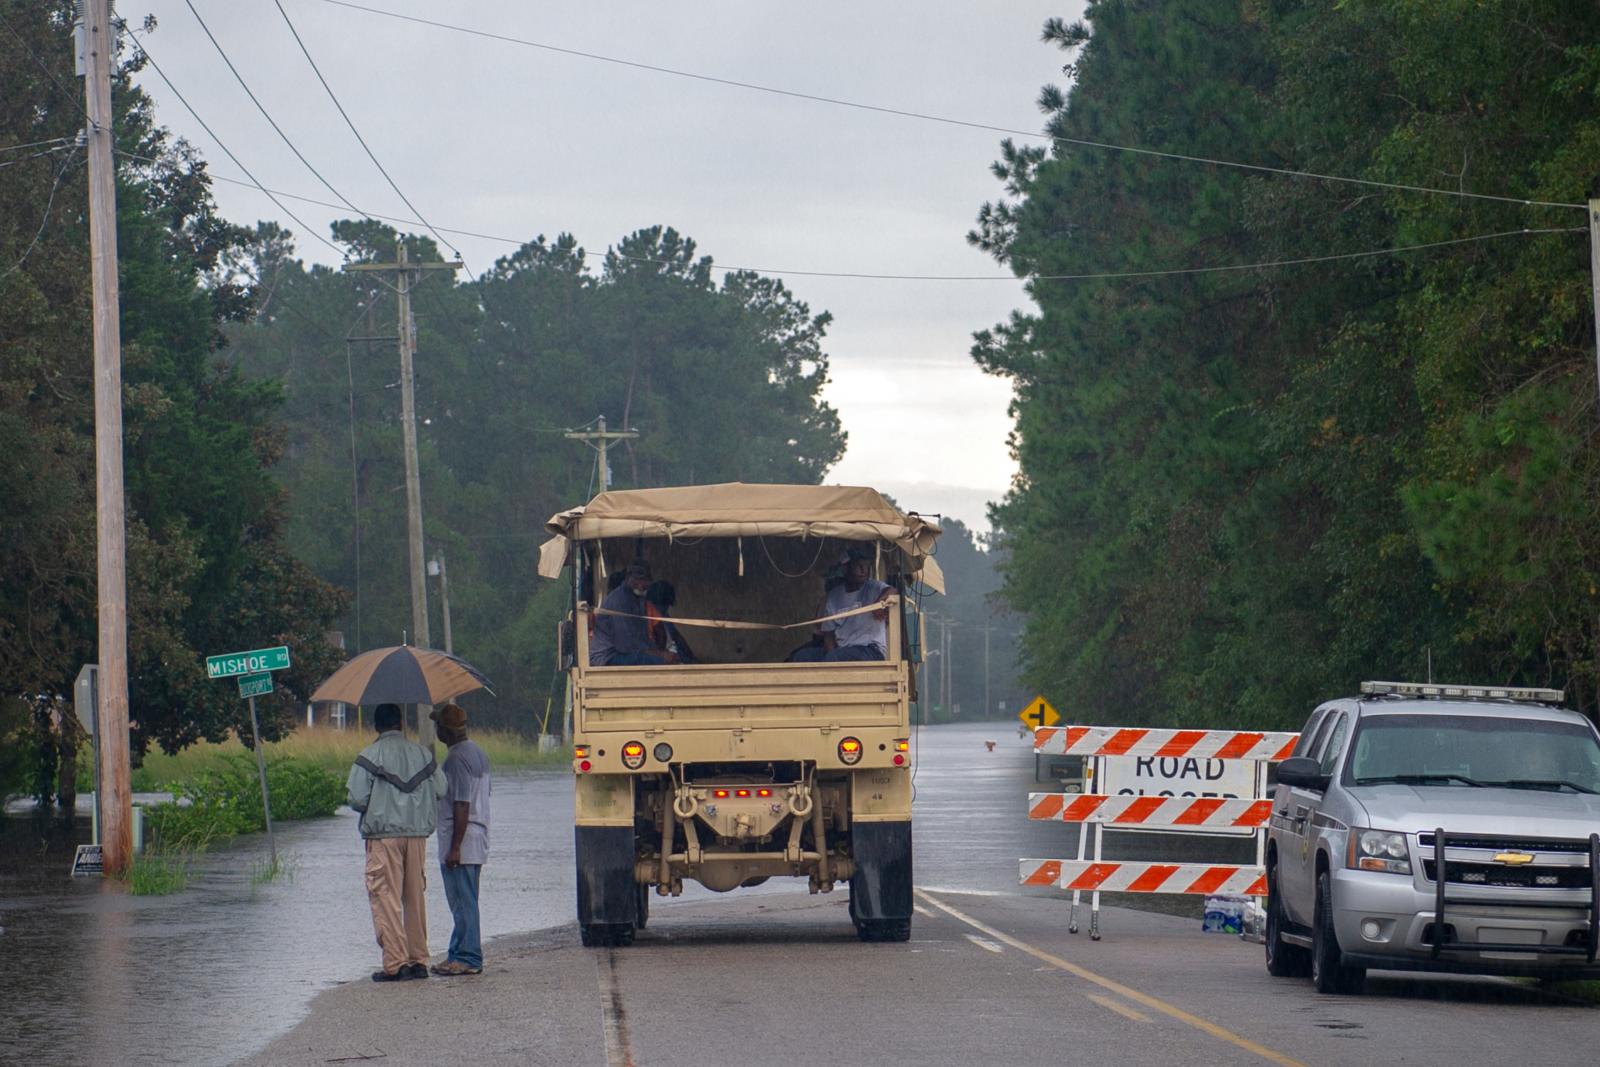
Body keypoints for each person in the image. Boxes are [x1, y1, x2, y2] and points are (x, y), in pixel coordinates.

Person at [346, 703, 446, 982]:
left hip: (383, 836)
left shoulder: (368, 756)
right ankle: (418, 961)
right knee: (415, 897)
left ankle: (395, 963)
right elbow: (441, 788)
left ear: (376, 726)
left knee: (386, 898)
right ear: (401, 723)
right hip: (417, 836)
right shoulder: (423, 754)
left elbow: (356, 799)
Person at [429, 702, 491, 976]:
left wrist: (455, 848)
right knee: (465, 899)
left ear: (445, 730)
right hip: (476, 836)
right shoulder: (477, 752)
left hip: (462, 841)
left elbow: (462, 804)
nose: (436, 730)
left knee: (463, 900)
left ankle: (468, 957)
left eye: (438, 725)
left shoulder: (455, 759)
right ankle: (457, 952)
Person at [789, 549, 895, 662]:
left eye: (866, 565)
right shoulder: (834, 596)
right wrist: (831, 658)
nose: (864, 570)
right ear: (845, 568)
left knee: (833, 657)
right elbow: (828, 635)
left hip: (870, 650)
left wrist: (879, 602)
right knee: (799, 657)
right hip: (843, 650)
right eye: (858, 565)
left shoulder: (874, 587)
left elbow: (893, 591)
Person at [590, 560, 680, 666]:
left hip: (626, 653)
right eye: (638, 579)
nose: (642, 584)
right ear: (628, 577)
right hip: (608, 656)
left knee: (670, 659)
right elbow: (626, 645)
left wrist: (661, 653)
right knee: (658, 662)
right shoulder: (619, 601)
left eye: (645, 580)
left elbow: (642, 638)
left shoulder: (638, 599)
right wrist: (659, 654)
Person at [645, 578, 698, 663]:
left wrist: (692, 658)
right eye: (663, 605)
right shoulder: (647, 617)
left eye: (666, 605)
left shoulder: (664, 616)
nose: (665, 608)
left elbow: (677, 637)